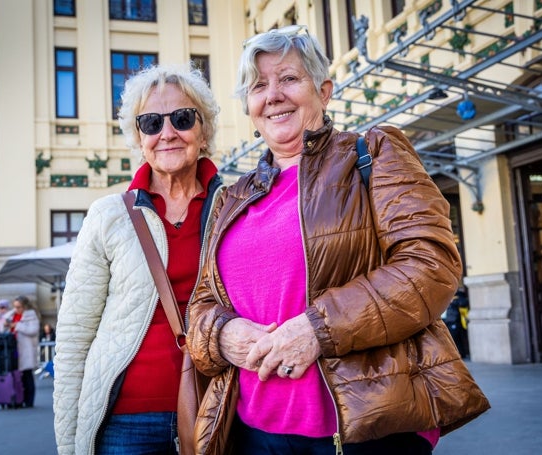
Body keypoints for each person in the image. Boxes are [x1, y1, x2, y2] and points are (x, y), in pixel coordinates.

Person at [186, 25, 490, 454]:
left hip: (364, 428)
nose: (273, 95)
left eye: (289, 79)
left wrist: (317, 329)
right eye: (258, 86)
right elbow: (200, 305)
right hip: (253, 433)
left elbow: (431, 265)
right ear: (250, 108)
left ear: (324, 90)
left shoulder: (372, 153)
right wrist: (222, 334)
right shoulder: (230, 200)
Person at [53, 63, 224, 455]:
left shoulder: (235, 205)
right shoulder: (108, 215)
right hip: (126, 421)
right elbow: (75, 334)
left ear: (203, 128)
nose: (167, 133)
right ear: (138, 136)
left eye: (182, 118)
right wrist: (68, 442)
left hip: (218, 406)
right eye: (150, 122)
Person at [5, 295, 40, 408]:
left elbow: (33, 330)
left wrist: (17, 325)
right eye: (15, 306)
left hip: (26, 350)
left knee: (27, 375)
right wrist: (7, 325)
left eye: (19, 307)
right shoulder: (12, 315)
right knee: (16, 376)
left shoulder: (31, 316)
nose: (16, 309)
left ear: (25, 307)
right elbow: (4, 328)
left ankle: (29, 401)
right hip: (13, 349)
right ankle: (18, 399)